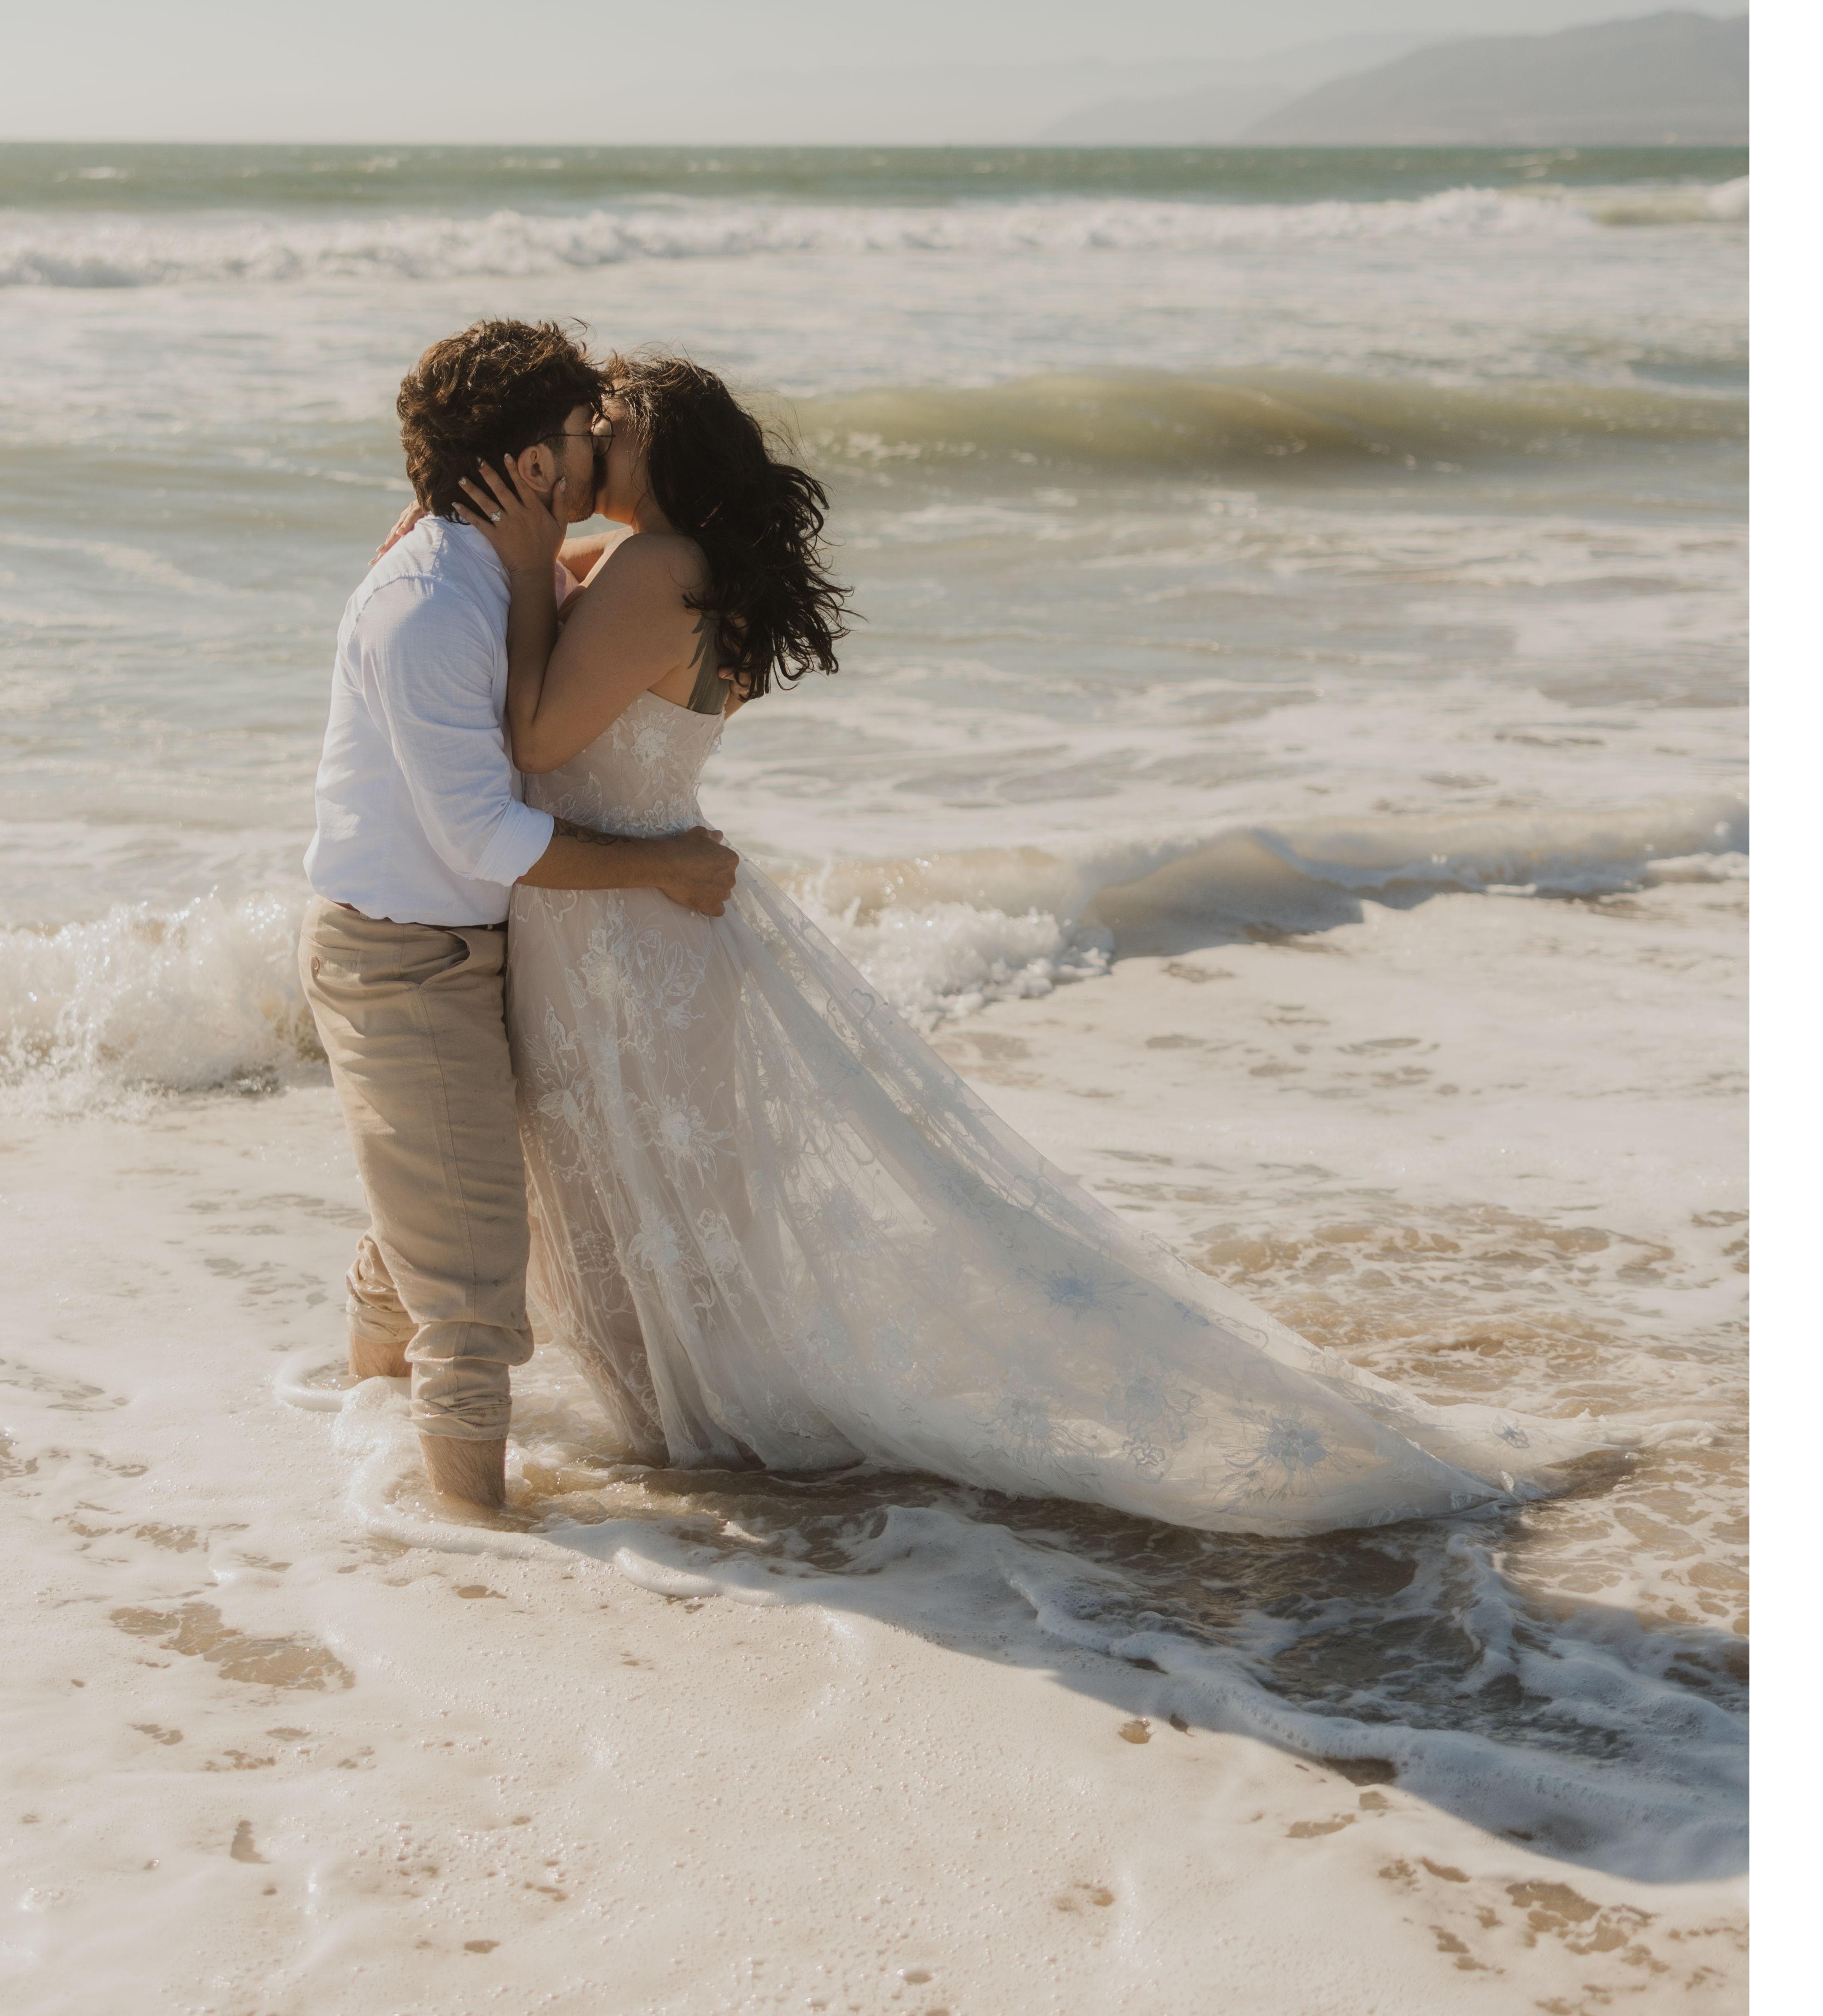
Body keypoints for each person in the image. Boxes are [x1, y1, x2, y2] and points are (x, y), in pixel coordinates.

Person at [454, 354, 1547, 1537]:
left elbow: (537, 733)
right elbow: (562, 613)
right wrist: (496, 545)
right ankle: (706, 1448)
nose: (581, 445)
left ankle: (703, 1466)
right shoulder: (692, 571)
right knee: (663, 1210)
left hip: (617, 934)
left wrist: (518, 562)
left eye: (604, 425)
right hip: (649, 927)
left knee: (628, 1208)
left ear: (660, 445)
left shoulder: (654, 566)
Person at [299, 319, 738, 1527]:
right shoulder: (429, 605)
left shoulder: (515, 562)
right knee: (477, 1290)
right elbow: (484, 838)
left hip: (487, 944)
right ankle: (472, 1558)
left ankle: (359, 1422)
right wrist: (663, 865)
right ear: (537, 466)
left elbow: (636, 574)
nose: (601, 444)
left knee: (432, 1221)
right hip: (402, 958)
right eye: (586, 432)